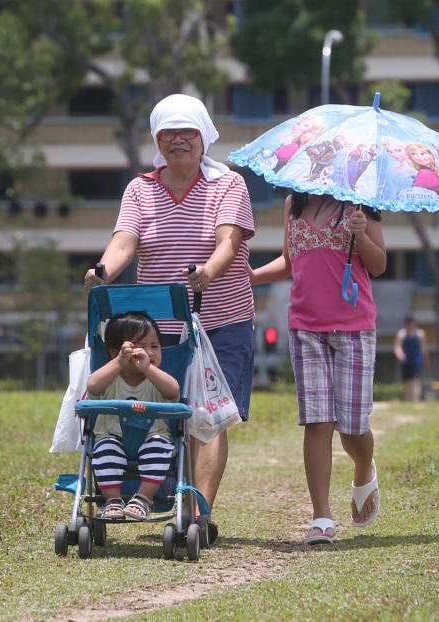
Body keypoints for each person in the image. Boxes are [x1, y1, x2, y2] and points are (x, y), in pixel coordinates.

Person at [84, 94, 256, 544]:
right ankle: (157, 496)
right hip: (161, 331)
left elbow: (228, 243)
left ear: (204, 137)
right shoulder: (140, 189)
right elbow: (124, 241)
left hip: (223, 318)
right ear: (158, 140)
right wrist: (102, 271)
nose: (178, 141)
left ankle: (196, 514)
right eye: (169, 134)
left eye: (188, 133)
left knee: (208, 417)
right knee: (170, 412)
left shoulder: (228, 185)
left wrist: (207, 273)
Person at [248, 191, 386, 544]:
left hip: (354, 328)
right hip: (305, 328)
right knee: (317, 419)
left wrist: (361, 236)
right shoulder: (294, 201)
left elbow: (379, 264)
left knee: (353, 426)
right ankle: (321, 516)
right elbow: (289, 261)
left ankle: (362, 466)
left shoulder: (361, 201)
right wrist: (251, 276)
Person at [87, 312, 180, 520]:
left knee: (160, 448)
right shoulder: (110, 378)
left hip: (153, 438)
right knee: (104, 451)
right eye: (140, 347)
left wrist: (148, 369)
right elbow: (92, 386)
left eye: (155, 346)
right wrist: (119, 362)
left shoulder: (157, 379)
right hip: (112, 437)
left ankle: (143, 498)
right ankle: (113, 501)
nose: (150, 352)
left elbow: (173, 391)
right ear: (116, 352)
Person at [394, 315, 428, 402]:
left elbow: (423, 347)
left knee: (416, 380)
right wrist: (400, 354)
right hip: (406, 360)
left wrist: (426, 359)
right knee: (407, 382)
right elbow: (397, 346)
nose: (410, 325)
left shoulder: (420, 334)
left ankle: (416, 400)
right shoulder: (401, 333)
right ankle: (407, 400)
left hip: (416, 360)